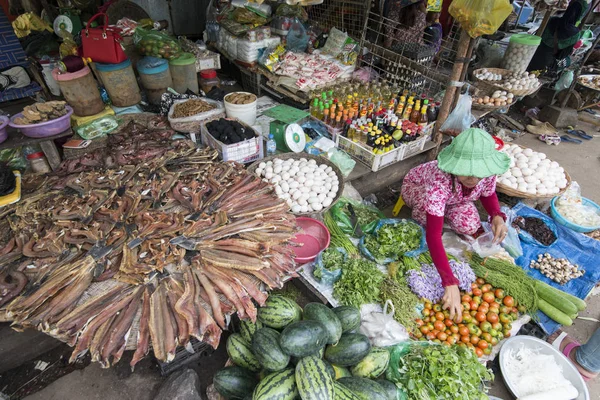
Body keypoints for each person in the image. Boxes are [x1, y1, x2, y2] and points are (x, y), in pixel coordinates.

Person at [401, 128, 510, 322]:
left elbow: (488, 193)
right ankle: (433, 216)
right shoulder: (439, 178)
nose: (474, 179)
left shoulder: (486, 172)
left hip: (453, 198)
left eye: (478, 175)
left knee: (470, 224)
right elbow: (433, 236)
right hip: (416, 189)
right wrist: (449, 281)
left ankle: (446, 214)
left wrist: (496, 215)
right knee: (427, 220)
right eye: (467, 173)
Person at [528, 0, 590, 71]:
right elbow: (562, 56)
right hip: (546, 64)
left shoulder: (552, 20)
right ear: (580, 13)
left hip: (532, 54)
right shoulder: (575, 33)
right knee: (568, 61)